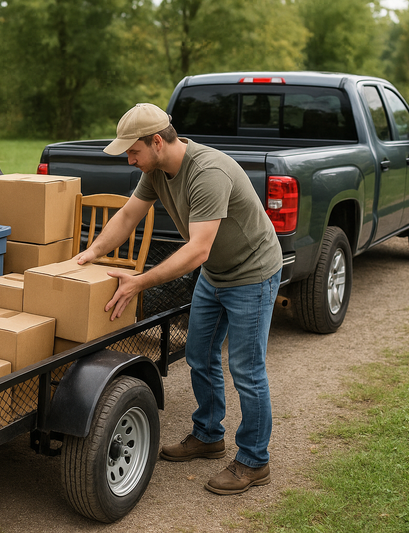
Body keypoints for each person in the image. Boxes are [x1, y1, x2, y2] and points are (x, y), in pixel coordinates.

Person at [75, 103, 283, 495]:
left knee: (246, 370)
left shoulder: (207, 173)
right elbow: (127, 217)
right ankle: (208, 436)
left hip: (252, 274)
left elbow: (197, 250)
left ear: (157, 141)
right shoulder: (154, 172)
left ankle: (255, 461)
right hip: (216, 273)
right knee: (199, 355)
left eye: (133, 151)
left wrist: (139, 282)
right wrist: (89, 253)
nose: (129, 160)